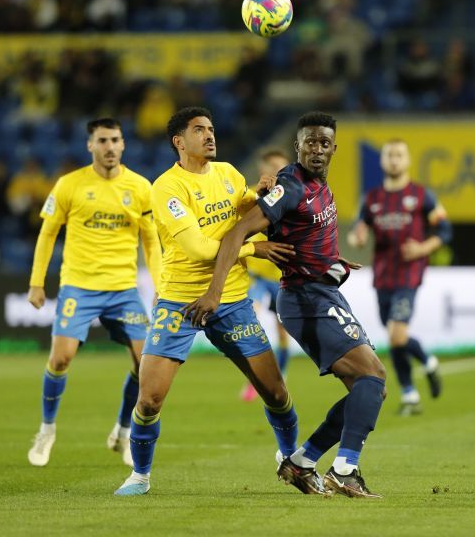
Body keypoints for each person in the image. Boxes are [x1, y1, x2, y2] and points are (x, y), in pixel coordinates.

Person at [185, 112, 387, 498]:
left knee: (370, 390)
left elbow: (306, 232)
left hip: (322, 291)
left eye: (324, 143)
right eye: (309, 141)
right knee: (372, 378)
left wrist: (331, 260)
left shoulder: (318, 185)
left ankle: (302, 462)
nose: (316, 149)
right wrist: (214, 292)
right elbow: (237, 232)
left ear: (333, 149)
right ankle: (344, 470)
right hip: (305, 298)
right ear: (298, 145)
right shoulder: (290, 187)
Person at [113, 107, 299, 496]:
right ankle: (140, 476)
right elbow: (197, 248)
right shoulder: (166, 188)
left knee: (276, 393)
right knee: (149, 400)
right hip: (179, 303)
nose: (210, 135)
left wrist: (259, 194)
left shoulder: (228, 173)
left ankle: (291, 460)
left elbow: (243, 205)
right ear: (179, 142)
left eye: (211, 129)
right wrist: (254, 248)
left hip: (231, 300)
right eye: (199, 130)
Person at [27, 118, 161, 468]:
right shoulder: (70, 184)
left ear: (123, 144)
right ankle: (47, 430)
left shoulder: (140, 187)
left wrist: (161, 286)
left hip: (122, 288)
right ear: (91, 146)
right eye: (102, 140)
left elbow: (151, 240)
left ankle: (123, 429)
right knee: (60, 359)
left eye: (115, 139)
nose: (110, 146)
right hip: (79, 286)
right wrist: (37, 282)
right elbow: (47, 234)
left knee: (145, 364)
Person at [347, 139, 451, 416]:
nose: (394, 160)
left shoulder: (421, 195)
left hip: (409, 273)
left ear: (407, 160)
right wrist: (356, 238)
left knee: (395, 334)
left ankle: (409, 395)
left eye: (399, 155)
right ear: (383, 161)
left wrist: (422, 248)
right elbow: (358, 231)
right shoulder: (371, 199)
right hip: (382, 275)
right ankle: (428, 362)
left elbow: (445, 231)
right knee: (396, 335)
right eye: (389, 155)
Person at [240, 148, 294, 402]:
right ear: (263, 169)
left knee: (283, 333)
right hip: (254, 275)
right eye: (273, 166)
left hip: (282, 277)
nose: (277, 172)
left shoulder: (292, 199)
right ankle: (254, 378)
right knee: (253, 313)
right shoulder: (249, 195)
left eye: (282, 168)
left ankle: (278, 377)